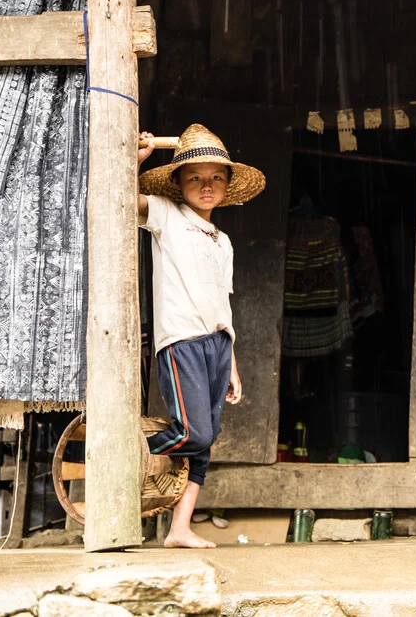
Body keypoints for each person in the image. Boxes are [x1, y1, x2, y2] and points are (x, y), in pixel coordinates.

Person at [137, 123, 266, 548]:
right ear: (177, 183)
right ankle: (126, 451)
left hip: (217, 344)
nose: (205, 185)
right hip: (181, 340)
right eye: (194, 177)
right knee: (196, 433)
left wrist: (233, 362)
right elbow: (117, 198)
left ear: (228, 185)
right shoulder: (166, 215)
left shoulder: (222, 240)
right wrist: (137, 159)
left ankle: (179, 529)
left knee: (203, 447)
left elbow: (221, 307)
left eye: (216, 177)